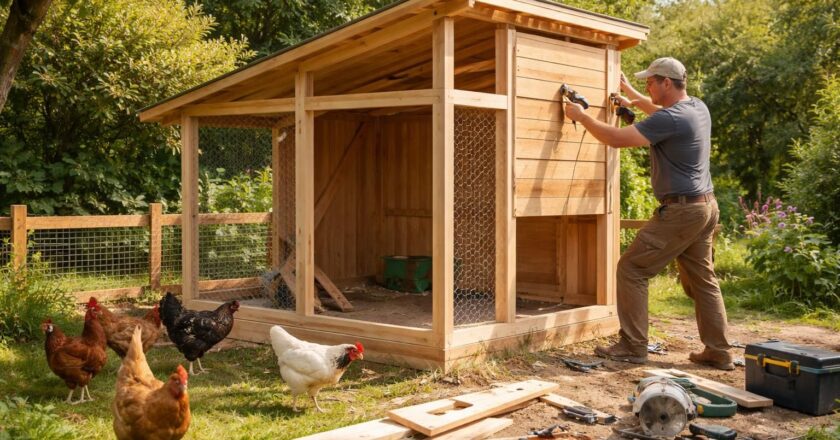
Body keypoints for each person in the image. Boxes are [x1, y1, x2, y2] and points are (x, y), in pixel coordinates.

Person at [562, 57, 733, 370]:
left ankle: (632, 345)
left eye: (650, 82)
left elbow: (615, 139)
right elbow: (664, 115)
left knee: (632, 269)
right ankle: (719, 350)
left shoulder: (670, 119)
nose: (646, 86)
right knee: (703, 278)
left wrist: (581, 116)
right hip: (706, 208)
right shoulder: (697, 107)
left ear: (666, 83)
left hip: (682, 211)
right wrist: (633, 98)